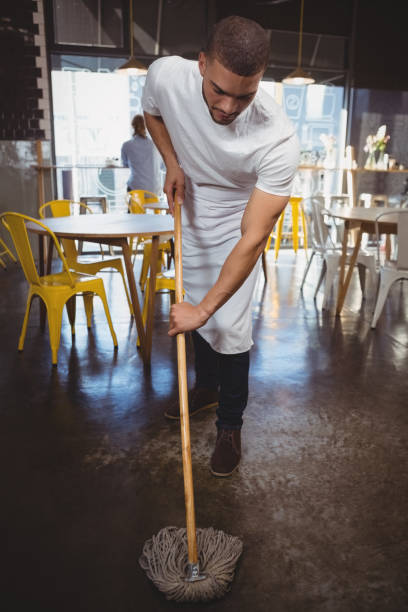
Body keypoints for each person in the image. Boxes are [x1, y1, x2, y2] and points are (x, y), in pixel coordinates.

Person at [142, 15, 299, 477]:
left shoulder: (279, 139)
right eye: (218, 90)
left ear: (261, 83)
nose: (229, 107)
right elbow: (152, 113)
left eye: (244, 95)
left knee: (227, 328)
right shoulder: (166, 76)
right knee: (192, 309)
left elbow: (253, 238)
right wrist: (172, 162)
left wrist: (206, 310)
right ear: (202, 64)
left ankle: (230, 426)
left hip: (238, 215)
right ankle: (205, 388)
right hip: (189, 203)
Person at [121, 114, 162, 195]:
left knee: (131, 186)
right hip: (154, 190)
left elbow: (125, 164)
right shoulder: (155, 145)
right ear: (146, 126)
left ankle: (133, 208)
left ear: (133, 126)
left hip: (136, 190)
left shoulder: (127, 145)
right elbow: (161, 165)